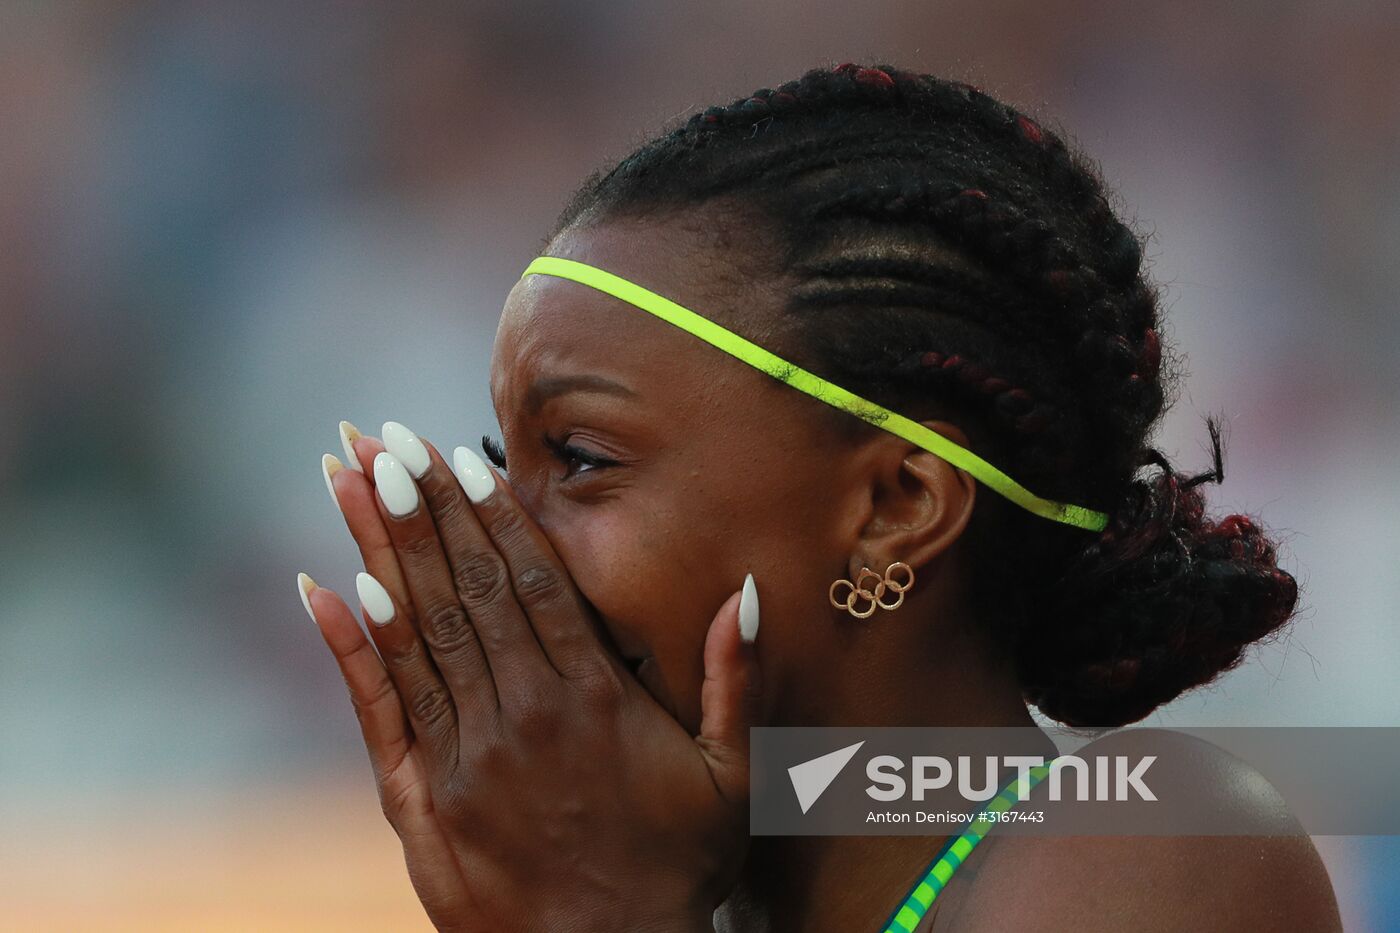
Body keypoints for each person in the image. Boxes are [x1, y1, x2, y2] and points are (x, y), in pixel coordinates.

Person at [298, 62, 1341, 931]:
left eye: (577, 457)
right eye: (499, 458)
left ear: (895, 501)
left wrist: (601, 912)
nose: (500, 531)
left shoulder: (1157, 839)